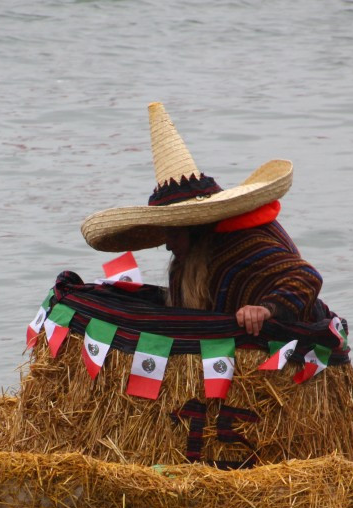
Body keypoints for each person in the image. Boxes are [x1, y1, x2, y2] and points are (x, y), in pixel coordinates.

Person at [81, 102, 328, 335]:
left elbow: (306, 277)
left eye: (174, 234)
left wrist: (264, 309)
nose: (168, 244)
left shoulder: (246, 243)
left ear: (196, 227)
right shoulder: (187, 261)